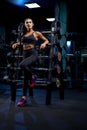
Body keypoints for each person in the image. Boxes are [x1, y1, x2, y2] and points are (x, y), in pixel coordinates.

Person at [12, 18, 49, 106]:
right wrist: (16, 44)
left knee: (22, 64)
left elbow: (46, 40)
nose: (28, 24)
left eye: (30, 22)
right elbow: (22, 43)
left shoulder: (36, 33)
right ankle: (23, 98)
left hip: (33, 54)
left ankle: (33, 76)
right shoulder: (24, 35)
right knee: (25, 77)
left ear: (33, 24)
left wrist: (44, 44)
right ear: (25, 24)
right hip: (25, 54)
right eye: (26, 22)